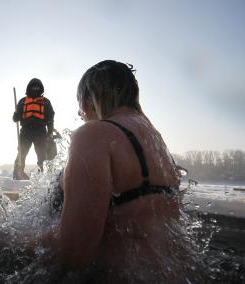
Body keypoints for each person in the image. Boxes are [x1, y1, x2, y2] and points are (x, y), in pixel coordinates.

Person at [41, 60, 190, 281]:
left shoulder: (93, 134)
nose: (81, 114)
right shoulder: (155, 141)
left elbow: (73, 253)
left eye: (80, 106)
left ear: (89, 99)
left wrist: (12, 239)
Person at [12, 78, 55, 180]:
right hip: (25, 131)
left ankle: (44, 177)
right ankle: (17, 175)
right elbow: (15, 119)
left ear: (41, 88)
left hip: (40, 131)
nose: (35, 88)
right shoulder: (22, 101)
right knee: (22, 153)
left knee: (42, 155)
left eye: (37, 87)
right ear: (29, 88)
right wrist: (16, 114)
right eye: (33, 87)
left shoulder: (46, 102)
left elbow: (50, 118)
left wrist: (50, 132)